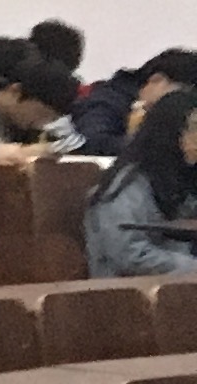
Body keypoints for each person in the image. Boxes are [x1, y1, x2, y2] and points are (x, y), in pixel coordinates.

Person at [83, 90, 197, 278]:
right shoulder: (127, 185)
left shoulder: (183, 176)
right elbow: (128, 254)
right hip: (127, 287)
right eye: (193, 128)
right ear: (170, 132)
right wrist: (191, 266)